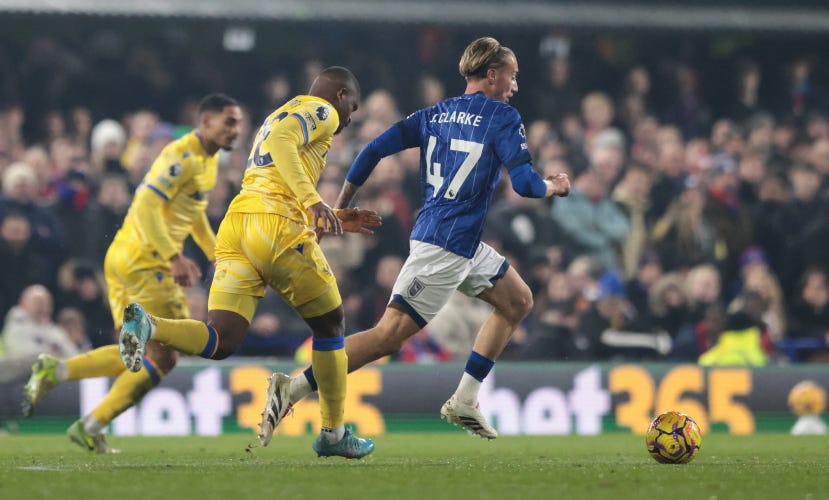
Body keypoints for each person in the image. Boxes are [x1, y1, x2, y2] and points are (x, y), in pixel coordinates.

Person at [259, 37, 570, 443]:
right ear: (492, 75)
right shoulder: (502, 117)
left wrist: (339, 205)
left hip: (458, 241)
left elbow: (371, 151)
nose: (515, 85)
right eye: (512, 76)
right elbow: (526, 185)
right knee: (386, 337)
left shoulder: (434, 114)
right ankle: (294, 387)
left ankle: (465, 399)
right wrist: (555, 186)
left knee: (518, 301)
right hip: (444, 248)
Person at [117, 67, 380, 459]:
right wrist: (312, 200)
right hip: (274, 226)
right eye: (353, 108)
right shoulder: (322, 110)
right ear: (341, 95)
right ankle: (332, 433)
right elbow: (283, 142)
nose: (349, 119)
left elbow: (274, 169)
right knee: (331, 325)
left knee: (221, 339)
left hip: (239, 224)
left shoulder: (281, 111)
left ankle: (150, 325)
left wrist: (335, 215)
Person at [22, 93, 243, 454]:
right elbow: (146, 206)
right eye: (229, 122)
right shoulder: (181, 156)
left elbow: (192, 214)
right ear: (205, 122)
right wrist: (173, 256)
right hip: (146, 262)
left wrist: (214, 254)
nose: (236, 129)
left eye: (238, 123)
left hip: (129, 257)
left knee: (143, 351)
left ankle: (60, 376)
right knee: (164, 355)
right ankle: (91, 422)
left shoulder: (208, 162)